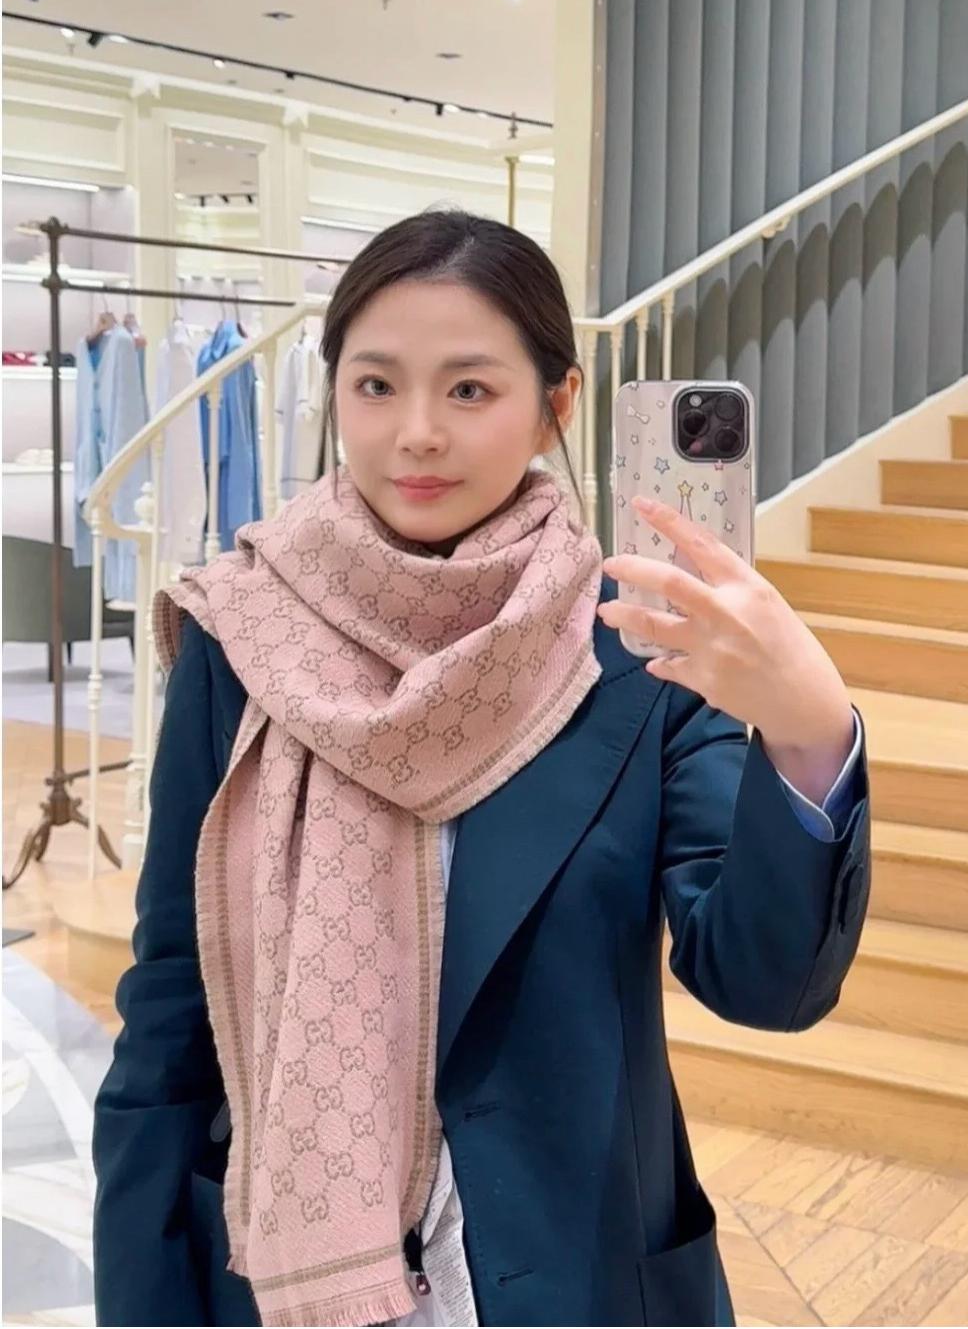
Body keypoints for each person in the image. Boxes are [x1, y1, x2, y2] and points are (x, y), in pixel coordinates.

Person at [91, 208, 871, 1328]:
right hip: (288, 1278)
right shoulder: (243, 635)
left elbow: (762, 983)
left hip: (572, 1275)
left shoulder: (636, 648)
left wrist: (805, 731)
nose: (416, 433)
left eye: (468, 389)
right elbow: (173, 1000)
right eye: (375, 385)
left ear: (557, 403)